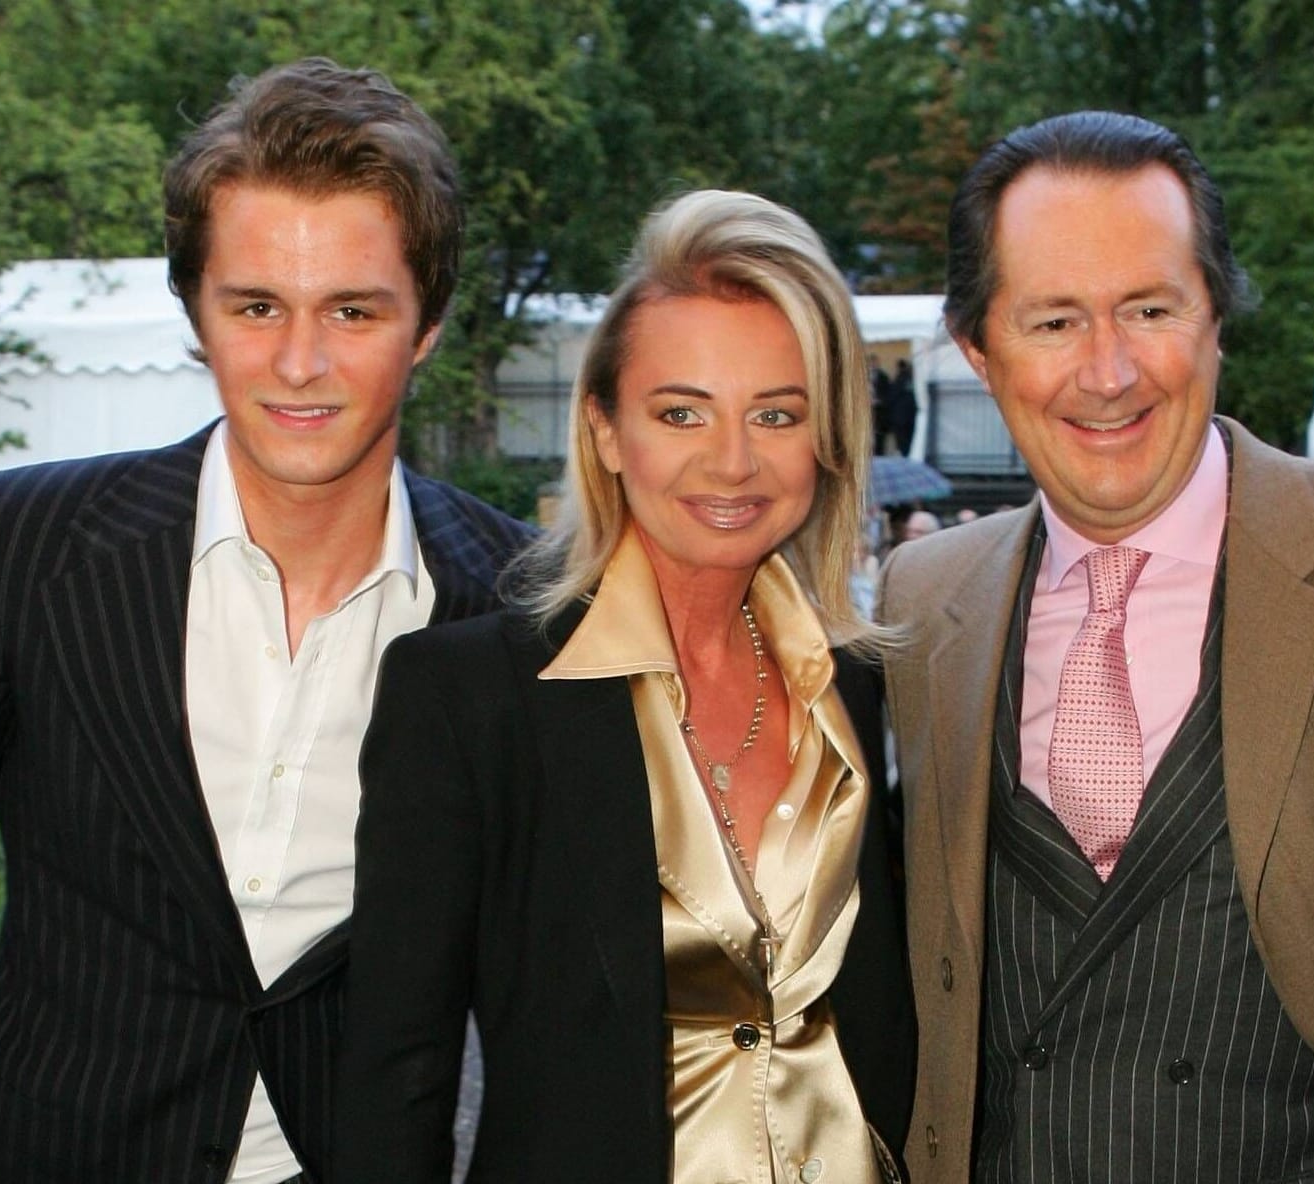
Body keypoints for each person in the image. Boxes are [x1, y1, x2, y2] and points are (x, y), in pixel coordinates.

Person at [0, 58, 531, 1184]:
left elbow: (555, 977)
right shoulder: (26, 545)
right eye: (256, 306)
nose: (300, 361)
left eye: (352, 308)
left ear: (425, 324)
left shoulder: (514, 595)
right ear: (195, 312)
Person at [880, 110, 1314, 1184]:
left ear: (1216, 314)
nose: (1108, 372)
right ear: (978, 350)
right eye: (1052, 322)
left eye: (1150, 308)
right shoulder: (925, 598)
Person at [332, 190, 916, 1183]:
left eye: (777, 412)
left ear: (827, 438)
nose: (732, 460)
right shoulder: (469, 697)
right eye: (680, 410)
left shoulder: (851, 683)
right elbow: (396, 1068)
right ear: (604, 427)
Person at [886, 357, 918, 458]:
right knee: (909, 439)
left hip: (899, 417)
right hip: (911, 416)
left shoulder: (898, 379)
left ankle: (904, 455)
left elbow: (891, 397)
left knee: (902, 441)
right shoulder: (913, 380)